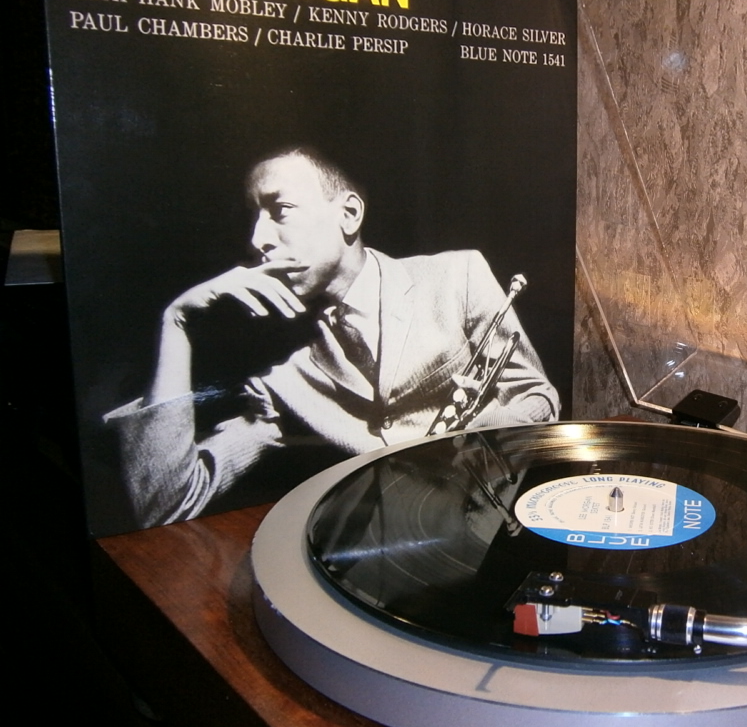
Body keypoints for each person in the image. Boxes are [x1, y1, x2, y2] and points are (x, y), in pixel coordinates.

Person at [106, 147, 559, 527]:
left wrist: (475, 447)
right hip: (371, 568)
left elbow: (537, 397)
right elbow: (164, 503)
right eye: (254, 218)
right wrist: (176, 322)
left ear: (349, 214)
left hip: (488, 529)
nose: (258, 239)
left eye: (280, 211)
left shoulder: (457, 276)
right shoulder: (282, 375)